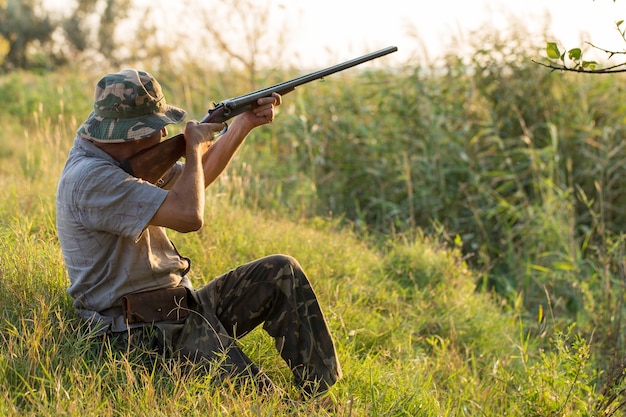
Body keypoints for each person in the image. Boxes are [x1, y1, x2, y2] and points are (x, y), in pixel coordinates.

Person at [55, 68, 342, 397]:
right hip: (139, 334)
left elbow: (195, 180)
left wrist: (241, 125)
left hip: (179, 308)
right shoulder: (91, 179)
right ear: (126, 135)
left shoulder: (119, 162)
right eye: (155, 128)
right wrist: (193, 147)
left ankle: (319, 395)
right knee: (262, 400)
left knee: (280, 271)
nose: (164, 136)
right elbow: (190, 215)